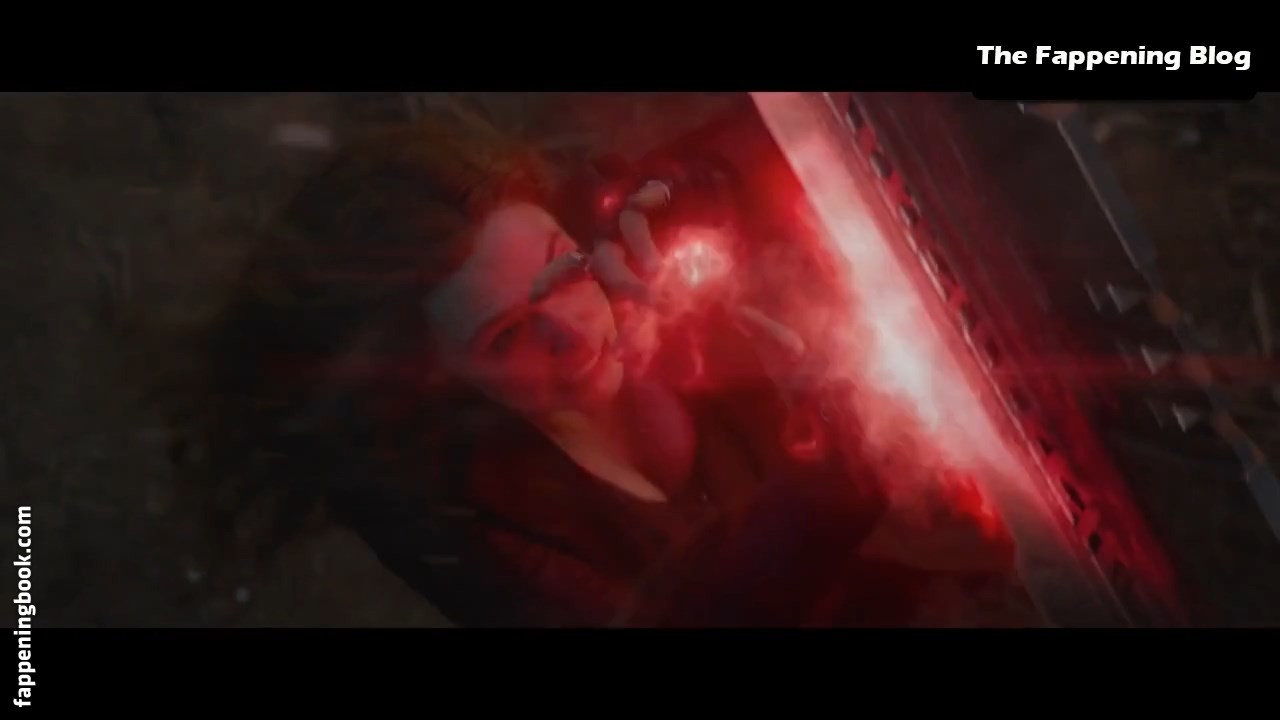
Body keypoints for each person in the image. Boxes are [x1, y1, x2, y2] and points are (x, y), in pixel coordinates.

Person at [176, 100, 1032, 627]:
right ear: (439, 375)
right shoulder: (464, 520)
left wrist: (701, 187)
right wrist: (814, 501)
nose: (573, 332)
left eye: (563, 268)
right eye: (507, 338)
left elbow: (807, 132)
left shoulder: (609, 231)